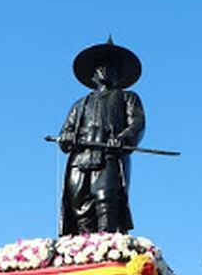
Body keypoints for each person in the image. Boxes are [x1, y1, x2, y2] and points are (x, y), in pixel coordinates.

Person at [57, 38, 145, 235]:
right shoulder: (80, 104)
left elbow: (137, 124)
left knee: (106, 200)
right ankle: (83, 251)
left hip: (108, 156)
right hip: (80, 159)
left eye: (111, 67)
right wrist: (65, 138)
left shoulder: (127, 97)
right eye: (100, 67)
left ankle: (107, 246)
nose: (105, 71)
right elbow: (65, 131)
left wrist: (122, 138)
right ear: (92, 75)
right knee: (80, 205)